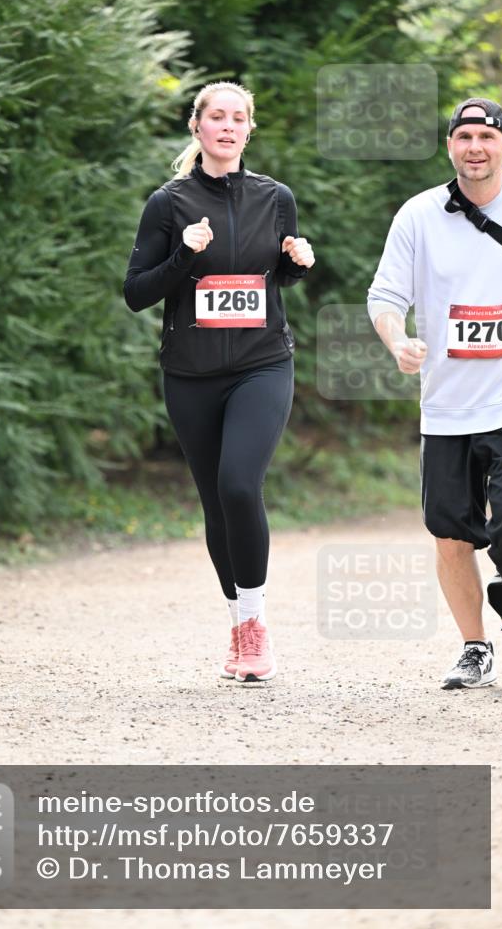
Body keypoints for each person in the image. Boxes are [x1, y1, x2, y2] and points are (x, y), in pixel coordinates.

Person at [124, 81, 314, 682]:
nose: (228, 127)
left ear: (249, 130)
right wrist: (183, 254)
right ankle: (237, 624)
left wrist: (296, 263)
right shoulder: (168, 203)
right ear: (197, 127)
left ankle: (256, 628)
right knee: (214, 501)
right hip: (191, 373)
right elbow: (136, 292)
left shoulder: (276, 198)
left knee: (238, 485)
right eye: (217, 117)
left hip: (262, 363)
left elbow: (274, 279)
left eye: (238, 118)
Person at [368, 97, 502, 690]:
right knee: (450, 533)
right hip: (447, 406)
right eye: (464, 136)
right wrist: (397, 341)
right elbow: (385, 296)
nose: (475, 147)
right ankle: (475, 648)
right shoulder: (419, 215)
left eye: (487, 136)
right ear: (450, 146)